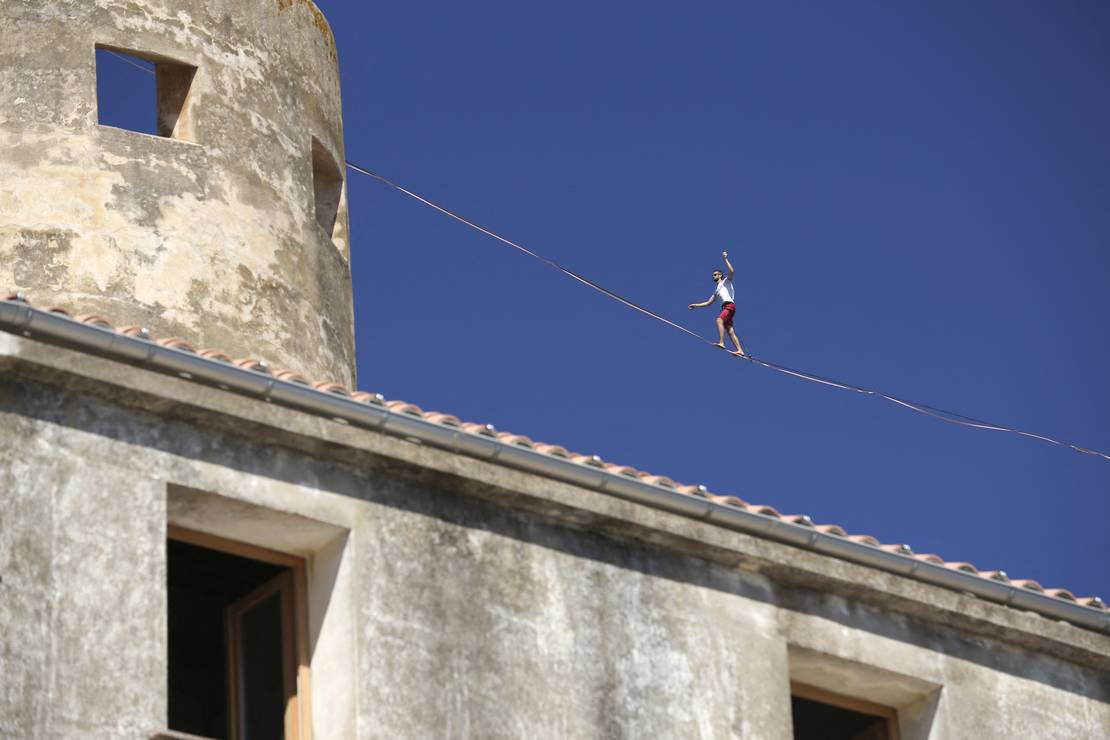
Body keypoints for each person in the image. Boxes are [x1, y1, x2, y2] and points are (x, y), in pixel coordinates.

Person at [688, 251, 747, 356]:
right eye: (713, 275)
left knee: (719, 320)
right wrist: (695, 305)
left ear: (720, 275)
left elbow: (732, 271)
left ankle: (721, 342)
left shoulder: (726, 282)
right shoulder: (716, 290)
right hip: (727, 308)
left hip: (729, 305)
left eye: (715, 275)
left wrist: (725, 259)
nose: (713, 276)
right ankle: (740, 350)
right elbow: (708, 303)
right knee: (729, 330)